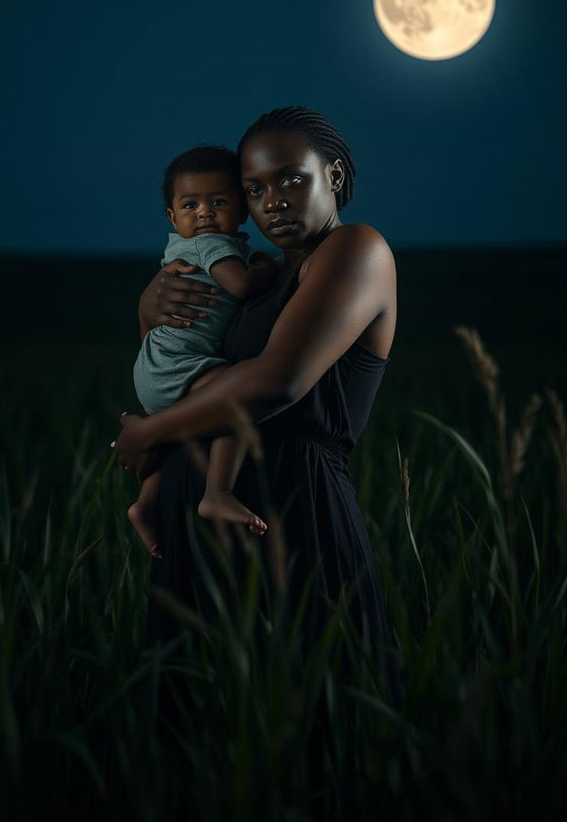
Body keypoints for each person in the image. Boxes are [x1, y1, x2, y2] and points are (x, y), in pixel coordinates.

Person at [112, 105, 401, 702]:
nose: (273, 199)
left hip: (294, 512)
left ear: (336, 177)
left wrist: (150, 433)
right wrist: (147, 311)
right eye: (255, 188)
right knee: (201, 735)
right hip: (195, 520)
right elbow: (180, 363)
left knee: (308, 721)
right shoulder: (251, 275)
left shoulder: (354, 251)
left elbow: (278, 381)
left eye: (293, 179)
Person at [129, 144, 280, 558]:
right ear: (172, 216)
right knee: (232, 400)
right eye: (190, 204)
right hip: (180, 364)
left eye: (218, 202)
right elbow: (244, 286)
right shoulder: (212, 246)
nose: (204, 213)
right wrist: (268, 267)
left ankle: (144, 505)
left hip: (156, 365)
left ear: (242, 208)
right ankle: (218, 492)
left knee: (184, 439)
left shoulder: (178, 248)